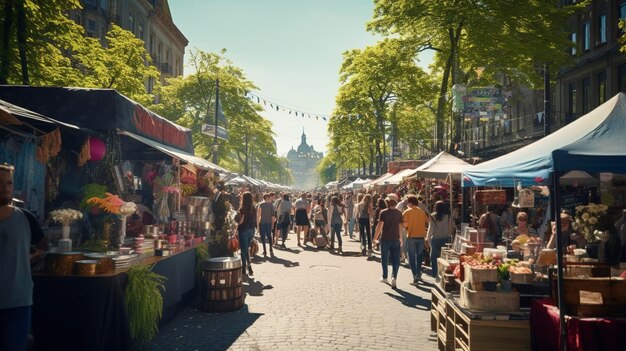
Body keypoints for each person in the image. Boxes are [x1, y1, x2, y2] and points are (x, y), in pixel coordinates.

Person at [1, 163, 46, 351]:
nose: (5, 188)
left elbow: (43, 246)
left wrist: (28, 258)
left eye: (9, 183)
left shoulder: (26, 218)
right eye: (0, 183)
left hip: (18, 301)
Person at [374, 196, 403, 289]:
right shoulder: (399, 213)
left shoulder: (383, 212)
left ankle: (385, 276)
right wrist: (401, 238)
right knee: (396, 260)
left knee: (384, 258)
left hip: (385, 239)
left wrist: (375, 238)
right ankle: (394, 277)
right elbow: (400, 227)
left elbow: (380, 226)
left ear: (387, 203)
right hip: (396, 239)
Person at [402, 195, 430, 285]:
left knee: (411, 257)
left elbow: (404, 225)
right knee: (419, 257)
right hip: (421, 236)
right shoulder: (422, 212)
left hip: (411, 236)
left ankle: (415, 276)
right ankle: (418, 274)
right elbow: (428, 222)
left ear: (410, 203)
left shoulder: (407, 212)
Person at [426, 201, 453, 279]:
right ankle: (443, 275)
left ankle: (435, 275)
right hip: (445, 239)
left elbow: (430, 228)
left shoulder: (432, 216)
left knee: (434, 258)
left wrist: (427, 238)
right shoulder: (448, 216)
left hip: (435, 239)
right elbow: (450, 229)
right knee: (444, 258)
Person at [236, 192, 256, 276]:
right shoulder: (253, 208)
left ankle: (244, 268)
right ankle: (250, 267)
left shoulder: (242, 209)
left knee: (243, 250)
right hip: (252, 230)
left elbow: (240, 221)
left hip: (243, 230)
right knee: (246, 249)